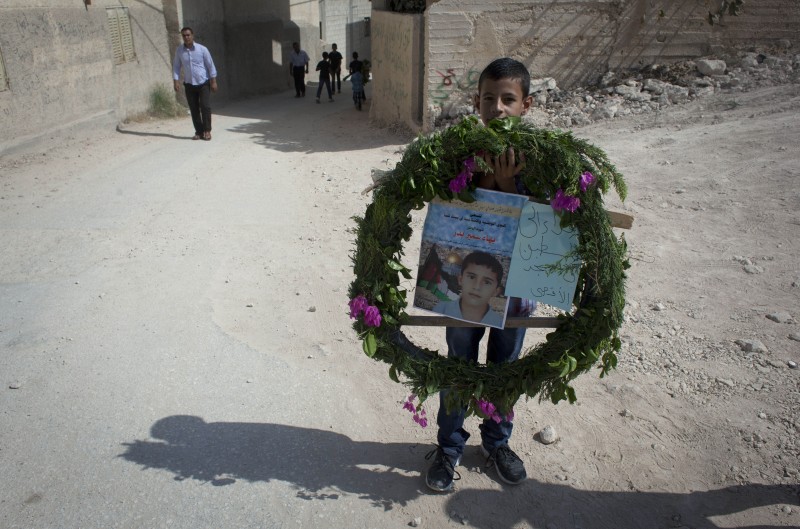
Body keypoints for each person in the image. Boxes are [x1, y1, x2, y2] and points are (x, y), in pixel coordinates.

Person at [425, 57, 536, 493]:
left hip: (517, 292)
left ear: (526, 104)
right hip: (464, 288)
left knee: (504, 367)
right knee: (460, 363)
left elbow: (544, 225)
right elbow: (448, 207)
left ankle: (497, 443)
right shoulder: (459, 152)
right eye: (489, 99)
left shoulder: (541, 159)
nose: (498, 107)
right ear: (477, 102)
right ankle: (449, 447)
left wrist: (509, 187)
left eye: (508, 99)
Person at [432, 251, 505, 328]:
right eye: (471, 277)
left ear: (496, 291)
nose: (477, 287)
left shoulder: (498, 323)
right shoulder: (441, 309)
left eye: (487, 282)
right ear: (460, 279)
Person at [172, 27, 218, 141]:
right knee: (194, 108)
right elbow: (176, 66)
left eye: (188, 35)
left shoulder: (202, 49)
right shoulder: (179, 51)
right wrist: (176, 81)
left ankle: (207, 131)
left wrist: (214, 82)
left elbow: (210, 66)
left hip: (203, 83)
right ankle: (199, 131)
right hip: (189, 84)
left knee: (205, 106)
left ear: (193, 35)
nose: (186, 37)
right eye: (184, 36)